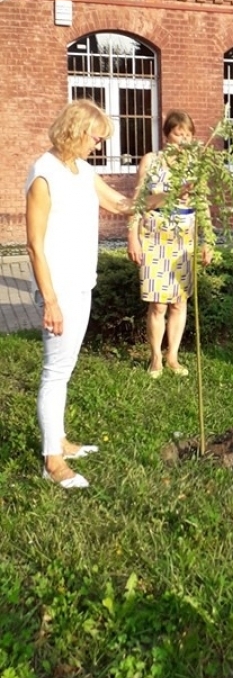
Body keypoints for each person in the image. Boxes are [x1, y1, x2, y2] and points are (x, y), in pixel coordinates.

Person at [25, 99, 172, 489]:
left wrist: (170, 196)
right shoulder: (44, 174)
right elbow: (34, 246)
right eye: (96, 136)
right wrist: (51, 300)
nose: (98, 145)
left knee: (65, 369)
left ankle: (60, 440)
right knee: (55, 373)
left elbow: (124, 205)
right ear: (76, 130)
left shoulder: (82, 170)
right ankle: (52, 461)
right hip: (60, 288)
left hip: (82, 282)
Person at [127, 110, 212, 378]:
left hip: (184, 236)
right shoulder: (152, 161)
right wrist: (133, 236)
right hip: (155, 233)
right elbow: (138, 199)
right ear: (167, 135)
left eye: (188, 134)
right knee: (158, 303)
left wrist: (207, 240)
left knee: (178, 301)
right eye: (178, 133)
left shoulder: (196, 164)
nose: (183, 139)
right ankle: (155, 357)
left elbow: (203, 204)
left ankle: (172, 355)